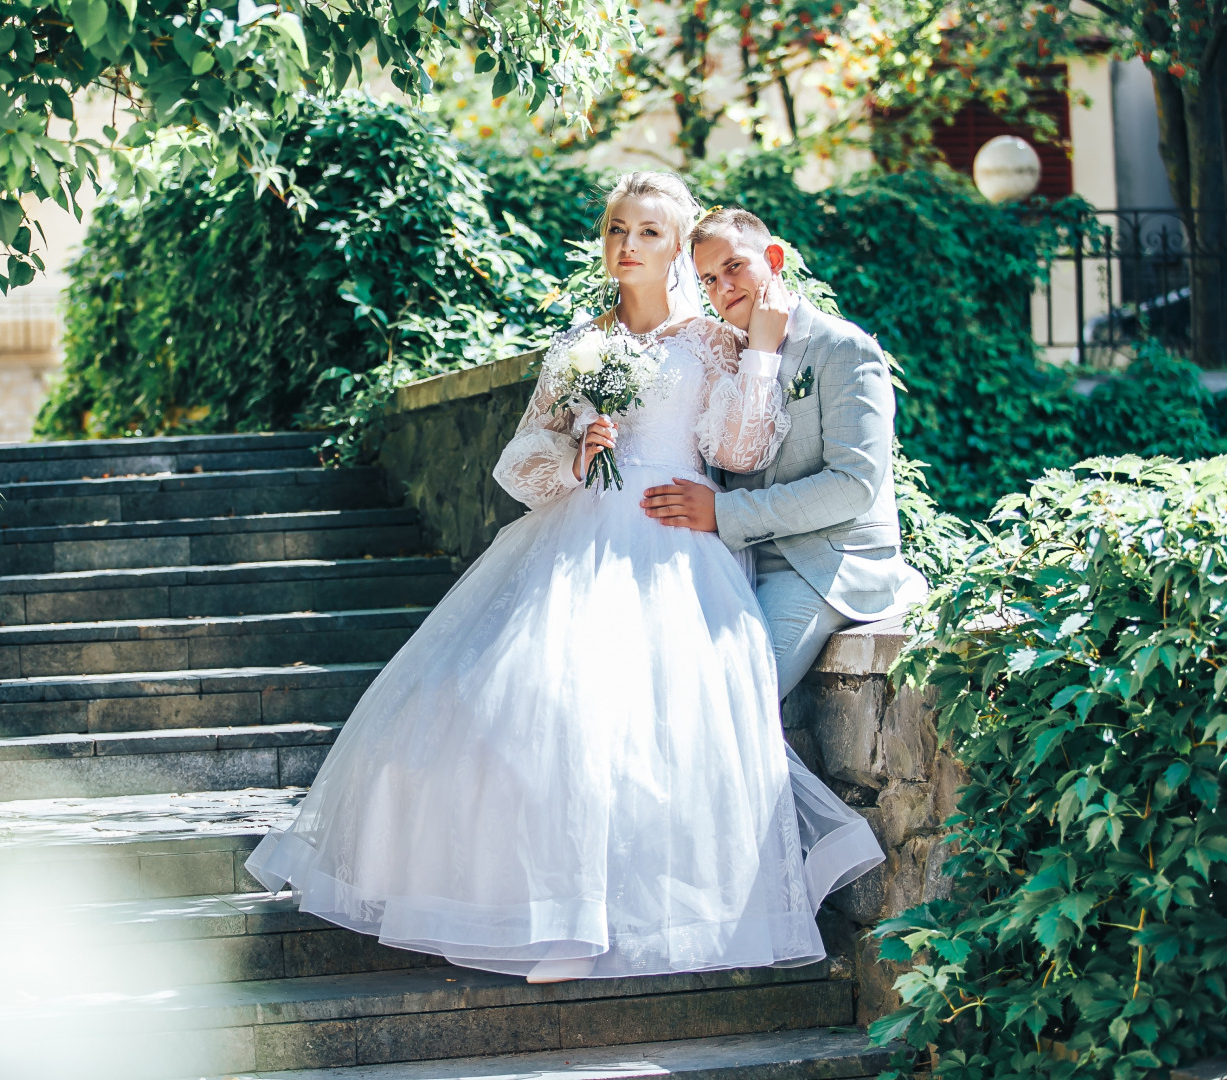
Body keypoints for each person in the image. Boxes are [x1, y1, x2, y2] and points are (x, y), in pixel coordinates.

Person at [245, 173, 883, 984]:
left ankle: (617, 919)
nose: (628, 244)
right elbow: (517, 464)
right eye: (618, 228)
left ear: (678, 246)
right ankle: (546, 912)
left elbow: (740, 451)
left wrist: (759, 353)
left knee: (640, 730)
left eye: (649, 231)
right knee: (510, 710)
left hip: (672, 542)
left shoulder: (712, 340)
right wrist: (575, 457)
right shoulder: (579, 344)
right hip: (571, 542)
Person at [640, 208, 928, 700]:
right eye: (708, 279)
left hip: (821, 565)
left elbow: (854, 483)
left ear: (773, 258)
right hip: (738, 560)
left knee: (729, 697)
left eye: (734, 267)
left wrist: (724, 512)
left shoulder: (843, 348)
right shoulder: (727, 354)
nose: (722, 288)